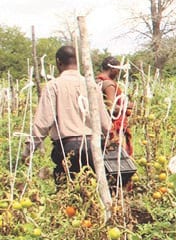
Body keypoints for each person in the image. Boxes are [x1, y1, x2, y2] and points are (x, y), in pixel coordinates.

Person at [22, 45, 112, 184]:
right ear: (78, 61)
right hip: (94, 146)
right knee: (93, 189)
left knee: (68, 191)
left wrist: (28, 150)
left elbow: (43, 123)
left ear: (59, 62)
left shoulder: (54, 86)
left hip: (68, 148)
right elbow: (105, 122)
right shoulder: (91, 84)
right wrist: (111, 139)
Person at [97, 56, 133, 156]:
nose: (118, 73)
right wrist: (127, 107)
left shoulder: (97, 81)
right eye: (118, 70)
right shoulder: (108, 84)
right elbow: (112, 108)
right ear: (112, 69)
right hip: (113, 128)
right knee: (119, 157)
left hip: (101, 126)